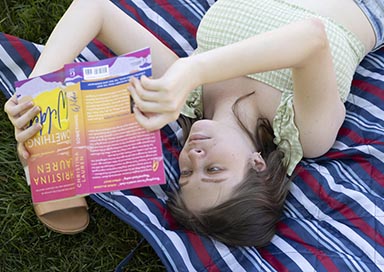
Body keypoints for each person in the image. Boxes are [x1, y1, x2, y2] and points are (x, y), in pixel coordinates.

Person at [4, 0, 382, 246]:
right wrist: (192, 68)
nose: (194, 156)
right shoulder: (304, 132)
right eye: (213, 169)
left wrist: (35, 94)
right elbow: (311, 38)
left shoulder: (187, 96)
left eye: (186, 174)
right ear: (257, 165)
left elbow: (95, 9)